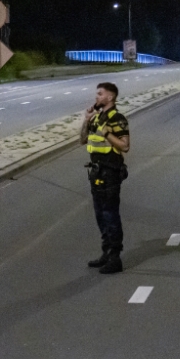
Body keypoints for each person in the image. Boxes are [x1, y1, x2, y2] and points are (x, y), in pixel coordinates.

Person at [80, 82, 130, 274]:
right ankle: (106, 252)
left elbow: (125, 146)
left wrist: (107, 132)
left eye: (100, 94)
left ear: (110, 97)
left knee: (110, 214)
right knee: (100, 215)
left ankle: (115, 257)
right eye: (96, 94)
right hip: (96, 172)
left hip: (110, 173)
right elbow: (82, 140)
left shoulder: (117, 119)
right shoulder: (97, 118)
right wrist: (86, 120)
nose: (96, 97)